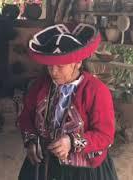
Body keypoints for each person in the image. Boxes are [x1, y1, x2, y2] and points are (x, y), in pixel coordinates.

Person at [17, 23, 118, 180]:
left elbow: (105, 135)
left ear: (78, 63)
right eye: (50, 66)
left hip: (83, 171)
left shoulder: (96, 91)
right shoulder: (40, 85)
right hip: (44, 166)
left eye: (60, 66)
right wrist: (30, 140)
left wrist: (72, 141)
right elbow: (26, 117)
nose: (53, 71)